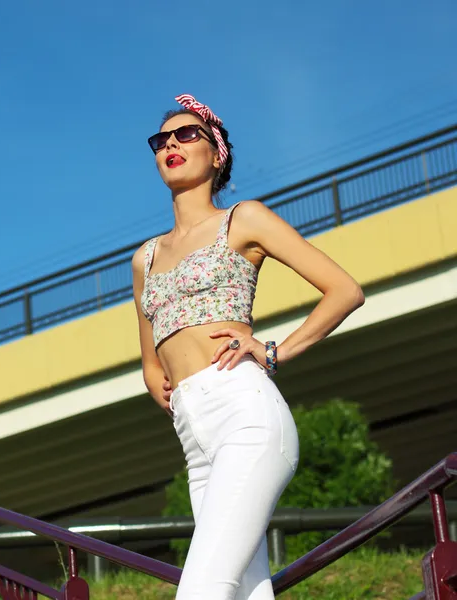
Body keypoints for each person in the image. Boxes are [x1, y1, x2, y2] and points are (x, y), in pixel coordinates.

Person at [131, 93, 365, 600]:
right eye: (161, 139)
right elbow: (151, 359)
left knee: (202, 589)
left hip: (245, 415)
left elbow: (345, 290)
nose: (171, 143)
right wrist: (160, 382)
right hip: (195, 438)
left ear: (217, 155)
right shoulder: (144, 258)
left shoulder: (243, 219)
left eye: (187, 134)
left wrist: (275, 351)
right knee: (245, 593)